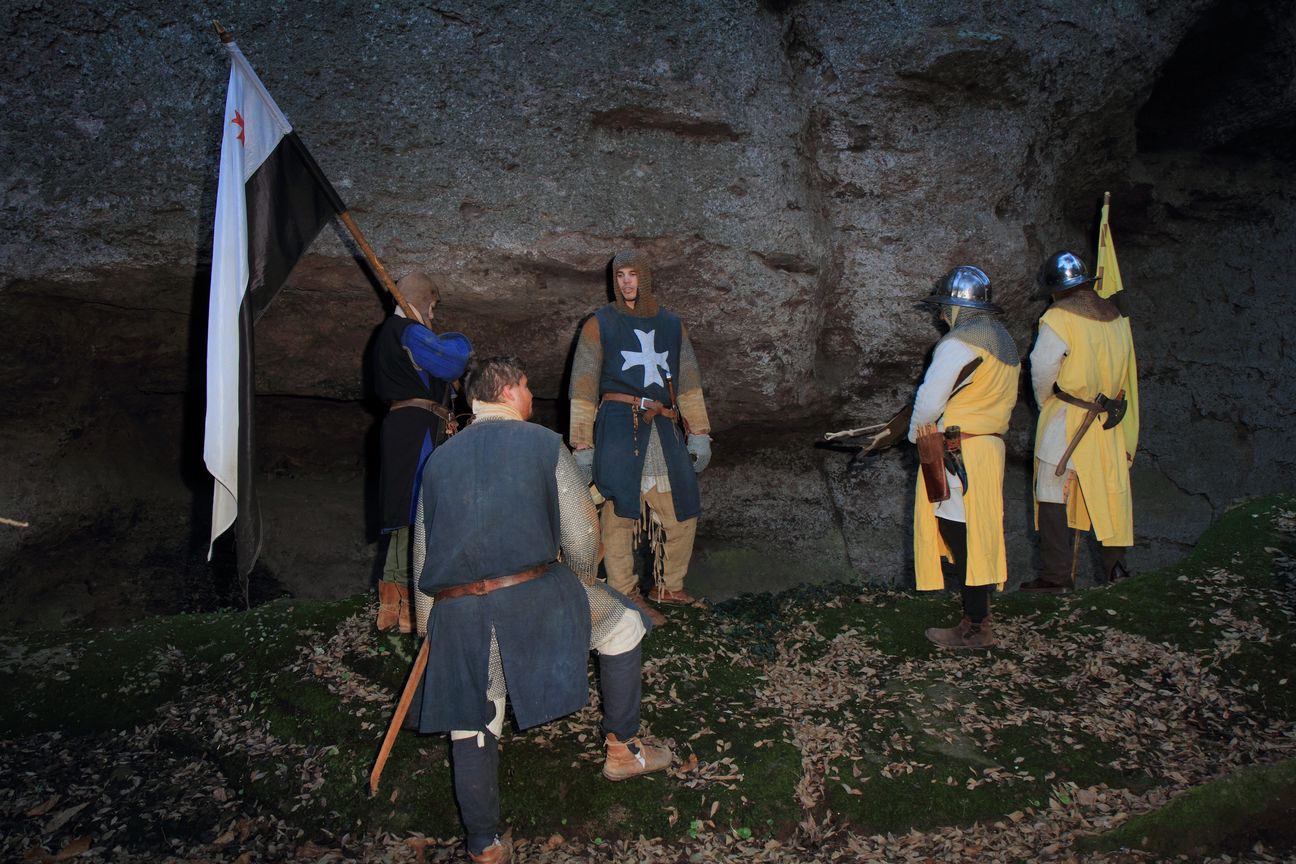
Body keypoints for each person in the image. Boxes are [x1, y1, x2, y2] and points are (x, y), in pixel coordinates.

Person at [415, 356, 674, 864]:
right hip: (533, 594)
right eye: (528, 386)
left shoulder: (438, 462)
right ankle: (623, 749)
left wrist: (430, 632)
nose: (533, 395)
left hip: (457, 613)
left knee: (474, 717)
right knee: (624, 622)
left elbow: (424, 557)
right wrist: (576, 587)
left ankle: (484, 845)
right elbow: (580, 535)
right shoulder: (541, 442)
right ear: (509, 391)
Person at [568, 250, 712, 625]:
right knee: (619, 511)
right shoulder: (599, 323)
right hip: (618, 424)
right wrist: (582, 443)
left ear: (644, 278)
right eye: (620, 275)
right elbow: (583, 386)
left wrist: (699, 431)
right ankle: (624, 590)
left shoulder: (671, 325)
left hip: (663, 425)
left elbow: (689, 382)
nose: (626, 282)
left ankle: (668, 585)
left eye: (632, 274)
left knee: (683, 507)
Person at [908, 266, 1019, 649]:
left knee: (961, 533)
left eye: (945, 309)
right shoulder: (1004, 342)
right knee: (974, 531)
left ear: (957, 308)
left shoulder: (959, 344)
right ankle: (977, 617)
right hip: (986, 449)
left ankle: (976, 625)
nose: (942, 316)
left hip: (959, 452)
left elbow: (929, 401)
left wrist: (916, 437)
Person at [1021, 251, 1137, 593]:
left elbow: (1043, 366)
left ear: (1057, 289)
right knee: (1110, 492)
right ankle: (1116, 570)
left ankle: (1056, 577)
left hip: (1069, 416)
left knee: (1051, 489)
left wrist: (1047, 403)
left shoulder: (1058, 317)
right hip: (1107, 420)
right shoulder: (1116, 316)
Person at [371, 272, 471, 631]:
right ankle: (410, 605)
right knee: (418, 512)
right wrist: (455, 340)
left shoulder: (392, 334)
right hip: (416, 430)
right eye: (432, 306)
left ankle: (393, 607)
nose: (433, 313)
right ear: (422, 301)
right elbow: (453, 359)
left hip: (411, 427)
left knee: (406, 513)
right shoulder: (408, 331)